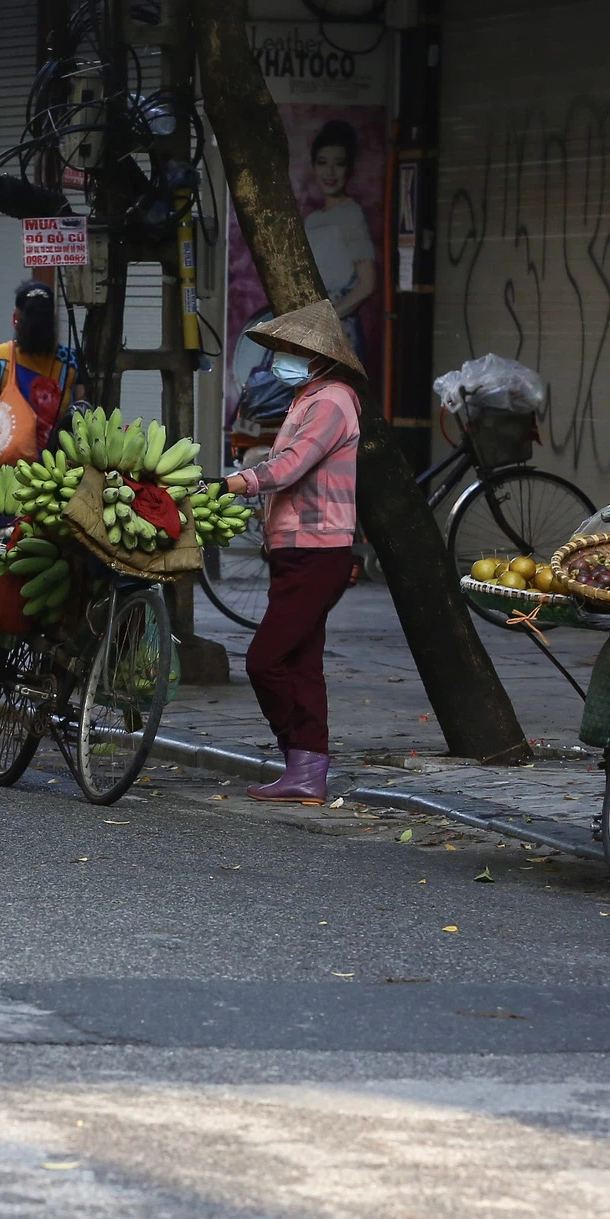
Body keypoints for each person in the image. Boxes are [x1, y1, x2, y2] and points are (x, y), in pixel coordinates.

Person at [220, 300, 365, 803]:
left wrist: (236, 484)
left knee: (266, 659)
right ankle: (306, 772)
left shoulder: (332, 401)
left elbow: (290, 466)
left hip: (317, 548)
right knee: (301, 664)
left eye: (290, 350)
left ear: (317, 355)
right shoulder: (308, 398)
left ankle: (302, 761)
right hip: (297, 550)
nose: (280, 357)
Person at [302, 121, 378, 370]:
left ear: (350, 168)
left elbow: (368, 284)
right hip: (312, 329)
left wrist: (330, 318)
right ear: (314, 166)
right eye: (323, 162)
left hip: (341, 330)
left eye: (339, 163)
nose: (330, 172)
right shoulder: (312, 220)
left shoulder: (351, 214)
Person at [0, 279, 78, 459]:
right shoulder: (70, 360)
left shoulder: (1, 357)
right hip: (57, 469)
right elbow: (83, 414)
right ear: (52, 320)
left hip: (6, 467)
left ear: (16, 317)